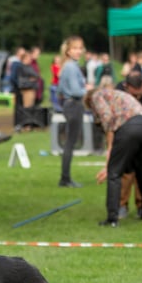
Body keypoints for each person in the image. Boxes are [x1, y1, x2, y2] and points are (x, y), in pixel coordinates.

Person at [85, 88, 142, 227]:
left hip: (130, 127)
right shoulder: (118, 94)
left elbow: (107, 118)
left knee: (114, 174)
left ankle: (112, 219)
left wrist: (109, 158)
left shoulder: (97, 96)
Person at [57, 35, 90, 188]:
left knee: (70, 142)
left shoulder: (68, 66)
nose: (78, 51)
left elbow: (60, 89)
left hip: (70, 105)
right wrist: (87, 89)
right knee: (70, 142)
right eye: (75, 48)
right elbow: (76, 91)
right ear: (68, 51)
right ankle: (65, 178)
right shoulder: (71, 66)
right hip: (74, 105)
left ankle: (65, 178)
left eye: (80, 48)